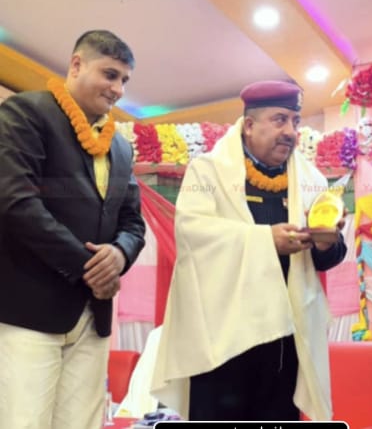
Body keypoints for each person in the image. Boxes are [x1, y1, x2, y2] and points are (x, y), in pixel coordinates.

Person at [151, 80, 347, 421]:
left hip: (284, 340)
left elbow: (325, 256)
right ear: (250, 125)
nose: (290, 132)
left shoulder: (311, 179)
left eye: (295, 122)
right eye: (280, 120)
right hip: (222, 338)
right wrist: (265, 240)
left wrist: (326, 242)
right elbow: (192, 235)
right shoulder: (209, 171)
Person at [0, 30, 146, 428]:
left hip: (92, 315)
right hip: (29, 309)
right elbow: (16, 202)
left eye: (124, 80)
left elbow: (133, 221)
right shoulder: (26, 113)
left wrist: (119, 254)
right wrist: (91, 268)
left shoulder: (120, 146)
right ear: (77, 65)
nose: (118, 89)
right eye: (110, 74)